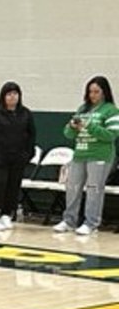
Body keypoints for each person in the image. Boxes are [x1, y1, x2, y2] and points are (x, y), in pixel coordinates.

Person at [52, 75, 119, 235]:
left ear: (104, 92)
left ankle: (91, 223)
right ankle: (69, 220)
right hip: (80, 154)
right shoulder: (82, 109)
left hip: (100, 156)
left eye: (96, 91)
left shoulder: (111, 110)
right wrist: (72, 127)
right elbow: (68, 134)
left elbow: (111, 135)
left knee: (94, 189)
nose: (93, 95)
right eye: (90, 91)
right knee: (72, 188)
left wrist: (89, 126)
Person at [0, 81, 36, 231]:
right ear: (3, 96)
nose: (12, 97)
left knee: (13, 187)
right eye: (9, 94)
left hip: (18, 158)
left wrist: (27, 154)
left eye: (15, 94)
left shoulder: (26, 114)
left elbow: (31, 135)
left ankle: (6, 214)